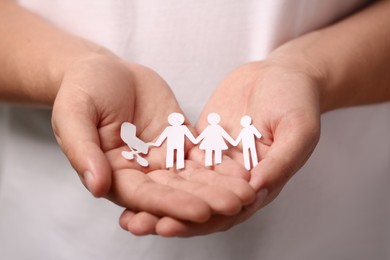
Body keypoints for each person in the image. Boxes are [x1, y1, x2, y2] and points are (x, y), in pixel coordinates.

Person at [0, 0, 389, 259]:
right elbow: (187, 139)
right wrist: (68, 67)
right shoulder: (175, 133)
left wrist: (312, 70)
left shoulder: (197, 133)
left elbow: (200, 139)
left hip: (335, 224)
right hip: (54, 230)